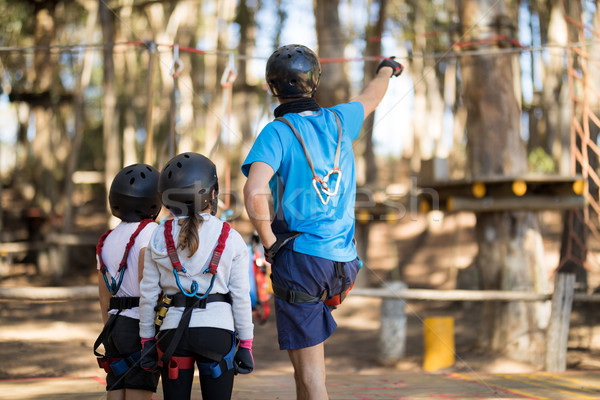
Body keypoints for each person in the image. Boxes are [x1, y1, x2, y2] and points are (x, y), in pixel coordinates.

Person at [242, 44, 403, 399]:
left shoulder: (277, 132)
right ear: (314, 82)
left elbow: (254, 192)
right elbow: (373, 94)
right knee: (304, 375)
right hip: (343, 262)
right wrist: (387, 69)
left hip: (302, 262)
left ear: (273, 87)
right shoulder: (341, 119)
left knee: (312, 378)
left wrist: (270, 243)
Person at [138, 152, 254, 400]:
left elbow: (147, 295)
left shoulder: (158, 236)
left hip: (172, 334)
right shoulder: (230, 237)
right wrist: (245, 344)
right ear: (212, 193)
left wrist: (147, 340)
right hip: (217, 332)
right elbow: (241, 297)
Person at [94, 163, 162, 400]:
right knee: (139, 391)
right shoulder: (151, 232)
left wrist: (109, 326)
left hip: (113, 326)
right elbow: (148, 286)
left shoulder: (107, 238)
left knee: (116, 388)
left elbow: (104, 294)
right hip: (139, 325)